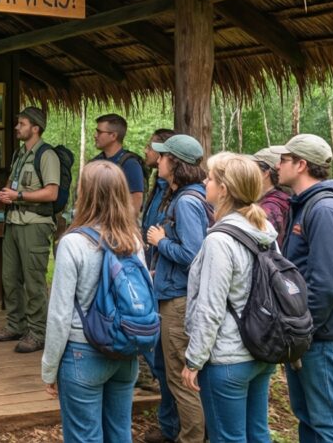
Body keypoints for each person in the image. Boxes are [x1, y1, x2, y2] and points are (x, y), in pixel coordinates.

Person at [42, 160, 143, 442]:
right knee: (120, 433)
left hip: (82, 352)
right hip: (125, 351)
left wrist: (49, 368)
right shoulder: (133, 239)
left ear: (84, 194)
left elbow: (60, 313)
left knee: (85, 437)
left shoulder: (73, 242)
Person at [182, 152, 278, 443]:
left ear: (223, 189)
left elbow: (210, 307)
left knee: (228, 437)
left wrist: (194, 360)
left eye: (209, 177)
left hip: (227, 358)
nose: (204, 181)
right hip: (260, 350)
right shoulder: (265, 231)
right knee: (257, 433)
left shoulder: (220, 240)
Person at [273, 134, 333, 443]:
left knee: (330, 426)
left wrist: (301, 333)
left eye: (283, 159)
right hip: (310, 334)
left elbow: (325, 284)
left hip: (323, 337)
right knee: (309, 419)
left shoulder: (325, 210)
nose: (277, 164)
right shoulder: (306, 205)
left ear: (301, 164)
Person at [145, 134, 210, 443]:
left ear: (176, 163)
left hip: (179, 301)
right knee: (174, 374)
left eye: (163, 156)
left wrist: (161, 242)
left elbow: (194, 256)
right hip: (173, 292)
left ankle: (191, 438)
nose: (157, 160)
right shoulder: (187, 196)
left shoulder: (186, 202)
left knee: (181, 379)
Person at [0, 107, 59, 353]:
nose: (17, 127)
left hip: (35, 225)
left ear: (35, 128)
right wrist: (7, 193)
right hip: (13, 223)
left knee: (33, 281)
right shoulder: (20, 154)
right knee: (10, 277)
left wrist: (18, 195)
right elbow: (12, 182)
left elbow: (52, 193)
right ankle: (15, 325)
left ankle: (38, 332)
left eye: (22, 123)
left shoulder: (46, 154)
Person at [140, 128, 179, 443]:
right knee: (159, 356)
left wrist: (160, 246)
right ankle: (169, 426)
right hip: (156, 276)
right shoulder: (159, 187)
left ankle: (177, 429)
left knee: (168, 361)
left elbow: (190, 251)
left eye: (153, 147)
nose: (147, 151)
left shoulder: (181, 198)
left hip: (168, 285)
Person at [92, 113, 146, 213]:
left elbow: (136, 201)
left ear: (113, 136)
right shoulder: (95, 162)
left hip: (117, 226)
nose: (95, 135)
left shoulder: (130, 164)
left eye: (99, 132)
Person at [248, 147, 291, 250]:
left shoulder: (269, 208)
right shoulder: (283, 197)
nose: (248, 173)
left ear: (265, 173)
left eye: (253, 169)